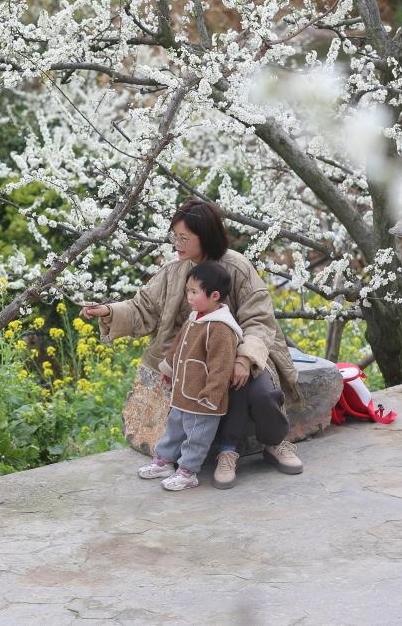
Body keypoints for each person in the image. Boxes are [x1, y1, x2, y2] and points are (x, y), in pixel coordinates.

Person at [82, 198, 303, 489]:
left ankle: (275, 442)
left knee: (261, 394)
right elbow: (143, 308)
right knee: (176, 405)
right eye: (175, 236)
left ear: (206, 235)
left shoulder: (236, 267)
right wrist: (109, 311)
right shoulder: (174, 271)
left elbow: (259, 319)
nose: (177, 243)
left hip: (236, 356)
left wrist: (243, 360)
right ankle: (181, 461)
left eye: (184, 238)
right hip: (190, 362)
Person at [141, 262, 242, 491]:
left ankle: (188, 471)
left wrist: (212, 394)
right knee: (174, 427)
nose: (188, 296)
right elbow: (178, 346)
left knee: (197, 435)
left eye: (194, 292)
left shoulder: (221, 328)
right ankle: (164, 461)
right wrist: (169, 370)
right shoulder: (196, 317)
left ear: (215, 295)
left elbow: (221, 366)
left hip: (204, 399)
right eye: (188, 290)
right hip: (184, 390)